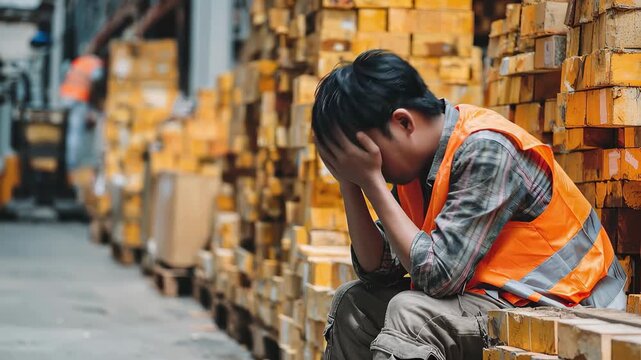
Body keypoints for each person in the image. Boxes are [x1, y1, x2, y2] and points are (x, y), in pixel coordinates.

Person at [312, 50, 627, 360]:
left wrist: (371, 180)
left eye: (369, 155)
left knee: (411, 315)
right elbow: (379, 270)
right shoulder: (415, 168)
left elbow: (438, 277)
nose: (373, 167)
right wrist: (350, 183)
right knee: (352, 304)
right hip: (501, 301)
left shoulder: (486, 150)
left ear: (404, 123)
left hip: (569, 308)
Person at [59, 53, 103, 171]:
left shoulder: (80, 61)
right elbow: (97, 82)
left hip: (66, 96)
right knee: (75, 133)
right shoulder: (96, 64)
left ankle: (63, 160)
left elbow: (66, 73)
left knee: (64, 131)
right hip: (79, 99)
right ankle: (71, 164)